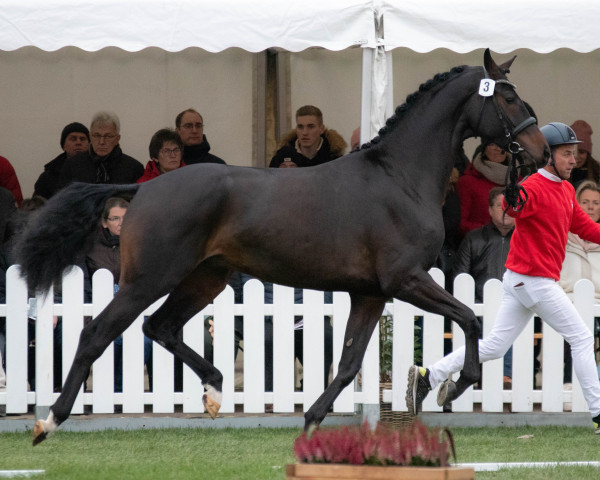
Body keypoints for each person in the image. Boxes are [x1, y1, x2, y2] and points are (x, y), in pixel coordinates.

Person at [406, 122, 600, 434]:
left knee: (495, 346)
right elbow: (514, 207)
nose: (574, 160)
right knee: (581, 338)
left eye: (574, 154)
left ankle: (429, 375)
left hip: (522, 281)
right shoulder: (535, 186)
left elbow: (588, 229)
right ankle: (599, 413)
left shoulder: (564, 190)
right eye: (567, 154)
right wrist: (514, 191)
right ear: (549, 156)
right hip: (534, 281)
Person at [85, 197, 152, 393]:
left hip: (136, 311)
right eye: (115, 218)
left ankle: (124, 391)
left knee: (144, 341)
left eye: (127, 217)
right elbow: (86, 287)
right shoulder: (91, 247)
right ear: (104, 222)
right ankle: (109, 392)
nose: (122, 223)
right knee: (111, 341)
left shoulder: (143, 244)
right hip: (100, 311)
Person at [453, 186, 515, 386]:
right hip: (478, 308)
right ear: (489, 210)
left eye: (510, 205)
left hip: (515, 305)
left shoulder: (527, 239)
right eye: (500, 205)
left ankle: (505, 378)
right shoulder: (474, 239)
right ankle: (482, 377)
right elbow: (459, 277)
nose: (505, 209)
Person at [559, 180, 600, 383]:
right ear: (576, 205)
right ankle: (568, 383)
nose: (591, 207)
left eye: (595, 202)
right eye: (585, 202)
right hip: (568, 301)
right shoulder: (562, 236)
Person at [59, 111, 143, 187]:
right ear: (90, 137)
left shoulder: (134, 168)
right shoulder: (72, 165)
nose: (102, 142)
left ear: (117, 139)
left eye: (108, 136)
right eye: (97, 135)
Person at [457, 139, 511, 237]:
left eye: (502, 145)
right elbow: (460, 223)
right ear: (483, 148)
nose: (498, 149)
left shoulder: (520, 182)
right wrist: (492, 232)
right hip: (482, 245)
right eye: (492, 144)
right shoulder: (468, 182)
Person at [269, 105, 347, 168]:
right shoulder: (281, 157)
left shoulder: (335, 159)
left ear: (321, 129)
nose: (305, 132)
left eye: (311, 127)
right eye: (300, 127)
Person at [33, 122, 90, 199]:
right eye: (73, 139)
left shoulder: (99, 171)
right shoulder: (48, 177)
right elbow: (37, 208)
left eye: (82, 139)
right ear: (64, 146)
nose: (78, 142)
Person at [569, 120, 599, 188]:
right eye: (573, 152)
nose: (576, 157)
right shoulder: (558, 173)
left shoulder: (597, 174)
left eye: (582, 152)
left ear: (587, 154)